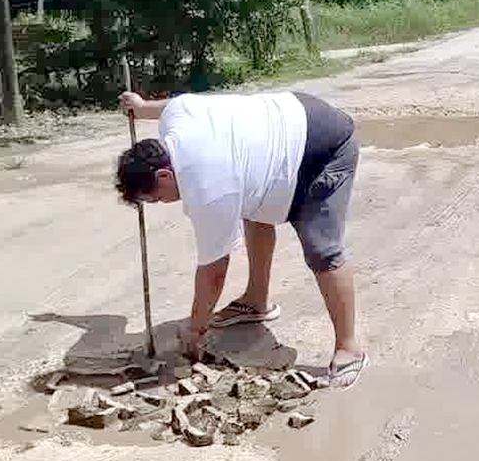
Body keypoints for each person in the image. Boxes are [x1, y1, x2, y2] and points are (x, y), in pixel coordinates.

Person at [116, 88, 367, 389]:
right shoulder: (175, 118)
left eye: (156, 199)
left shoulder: (208, 187)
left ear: (164, 177)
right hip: (292, 115)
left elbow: (213, 272)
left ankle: (350, 347)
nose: (162, 203)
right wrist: (142, 108)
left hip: (325, 145)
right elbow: (171, 105)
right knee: (252, 201)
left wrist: (195, 329)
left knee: (321, 248)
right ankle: (256, 301)